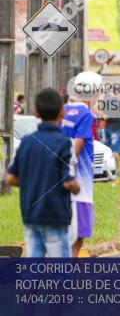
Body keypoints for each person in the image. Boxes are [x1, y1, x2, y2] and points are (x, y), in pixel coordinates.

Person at [6, 88, 81, 257]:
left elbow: (10, 178)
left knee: (33, 267)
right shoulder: (65, 143)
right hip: (56, 215)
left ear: (36, 113)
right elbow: (68, 182)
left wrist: (32, 181)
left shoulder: (26, 142)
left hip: (30, 215)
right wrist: (77, 188)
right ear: (62, 112)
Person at [63, 71, 99, 257]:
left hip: (59, 186)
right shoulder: (86, 114)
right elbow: (78, 144)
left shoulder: (63, 109)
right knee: (78, 236)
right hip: (80, 186)